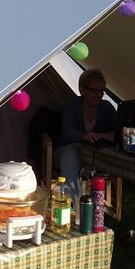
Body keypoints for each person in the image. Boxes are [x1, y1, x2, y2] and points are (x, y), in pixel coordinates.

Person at [53, 68, 116, 200]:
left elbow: (119, 130)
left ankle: (94, 200)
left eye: (101, 91)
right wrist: (83, 137)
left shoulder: (106, 107)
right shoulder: (71, 106)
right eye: (94, 90)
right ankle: (71, 204)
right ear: (82, 90)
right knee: (71, 154)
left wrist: (100, 136)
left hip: (93, 153)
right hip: (67, 150)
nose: (99, 94)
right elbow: (66, 132)